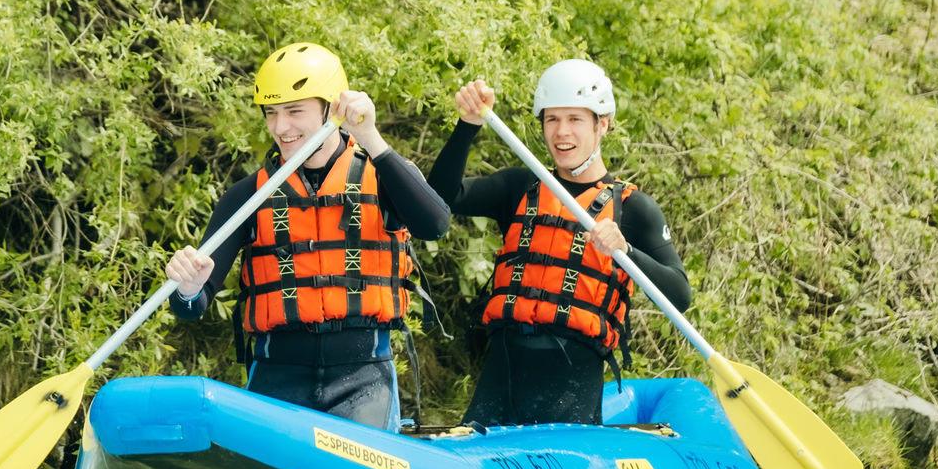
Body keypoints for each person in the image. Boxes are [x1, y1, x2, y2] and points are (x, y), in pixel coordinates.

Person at [164, 43, 452, 430]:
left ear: (331, 109)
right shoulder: (248, 196)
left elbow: (434, 225)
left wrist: (369, 136)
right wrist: (186, 288)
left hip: (364, 379)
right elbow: (189, 307)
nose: (281, 128)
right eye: (271, 113)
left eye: (295, 111)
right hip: (277, 380)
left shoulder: (385, 175)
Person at [429, 60, 690, 428]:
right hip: (500, 379)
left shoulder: (633, 209)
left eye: (575, 119)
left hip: (571, 389)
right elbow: (438, 197)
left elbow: (680, 295)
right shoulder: (521, 186)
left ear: (603, 124)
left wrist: (626, 253)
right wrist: (467, 125)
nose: (561, 132)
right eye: (552, 119)